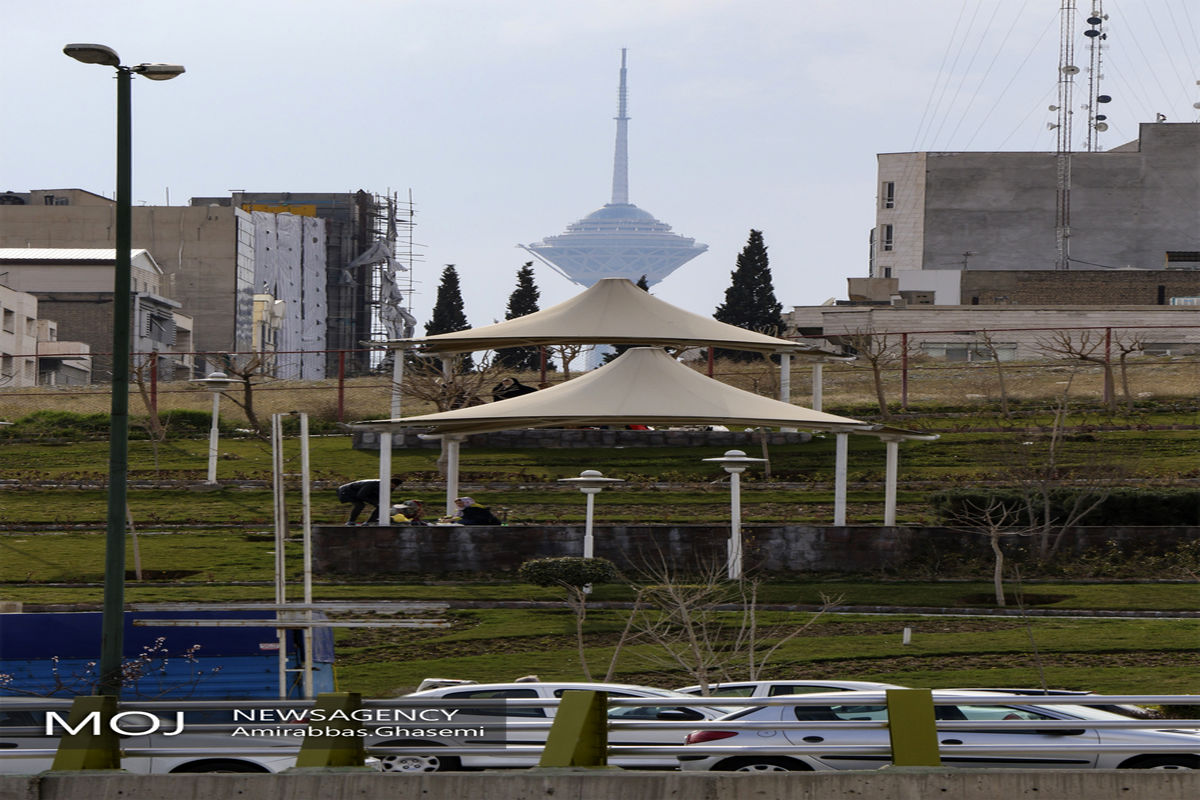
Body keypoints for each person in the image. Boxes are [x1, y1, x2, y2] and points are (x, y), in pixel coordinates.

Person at [337, 477, 402, 525]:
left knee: (381, 506)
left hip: (365, 493)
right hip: (346, 491)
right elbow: (361, 495)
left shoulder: (390, 488)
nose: (391, 487)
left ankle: (370, 521)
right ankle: (350, 522)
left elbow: (383, 500)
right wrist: (373, 503)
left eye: (393, 487)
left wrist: (387, 517)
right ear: (389, 482)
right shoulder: (372, 484)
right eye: (391, 485)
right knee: (360, 505)